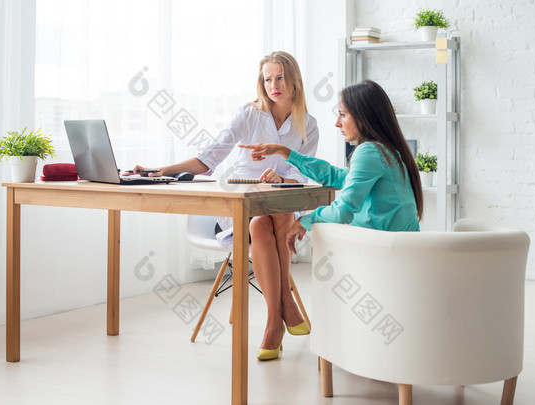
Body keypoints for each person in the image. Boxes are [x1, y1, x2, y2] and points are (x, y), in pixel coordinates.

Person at [127, 51, 319, 360]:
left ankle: (273, 323)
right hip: (242, 200)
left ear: (293, 80)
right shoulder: (249, 114)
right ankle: (284, 308)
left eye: (279, 77)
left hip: (281, 201)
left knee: (268, 218)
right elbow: (211, 156)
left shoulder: (308, 125)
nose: (273, 85)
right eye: (267, 79)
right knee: (258, 220)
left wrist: (283, 179)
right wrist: (161, 171)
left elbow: (304, 172)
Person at [240, 80, 423, 254]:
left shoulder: (369, 151)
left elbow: (343, 211)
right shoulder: (387, 151)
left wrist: (305, 221)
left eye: (342, 115)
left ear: (364, 118)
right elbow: (335, 175)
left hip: (386, 252)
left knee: (319, 242)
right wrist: (284, 151)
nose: (337, 123)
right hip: (404, 251)